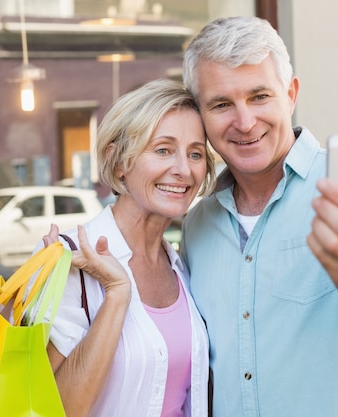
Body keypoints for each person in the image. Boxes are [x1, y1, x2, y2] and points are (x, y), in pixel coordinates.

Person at [180, 16, 338, 416]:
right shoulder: (197, 225)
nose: (245, 123)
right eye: (222, 104)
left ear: (291, 93)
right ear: (200, 113)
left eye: (260, 96)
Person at [39, 78, 216, 417]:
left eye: (195, 153)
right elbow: (57, 410)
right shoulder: (65, 259)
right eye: (163, 149)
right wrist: (118, 292)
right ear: (118, 160)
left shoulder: (181, 265)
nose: (183, 169)